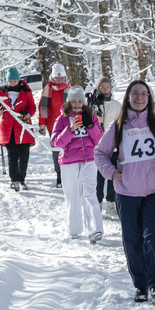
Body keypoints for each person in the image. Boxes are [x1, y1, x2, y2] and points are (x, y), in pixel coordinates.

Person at [95, 81, 155, 306]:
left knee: (153, 237)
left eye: (144, 94)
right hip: (126, 191)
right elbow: (100, 153)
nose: (140, 98)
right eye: (135, 94)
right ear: (128, 97)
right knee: (132, 239)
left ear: (150, 98)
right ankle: (141, 285)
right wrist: (112, 173)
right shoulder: (117, 126)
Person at [50, 86, 104, 243]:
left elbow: (99, 140)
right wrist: (70, 129)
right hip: (69, 162)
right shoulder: (62, 119)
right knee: (73, 195)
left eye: (80, 101)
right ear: (69, 102)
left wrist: (90, 125)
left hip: (89, 160)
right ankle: (74, 229)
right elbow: (56, 142)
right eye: (74, 101)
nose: (77, 105)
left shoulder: (91, 116)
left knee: (89, 193)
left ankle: (95, 229)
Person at [0, 67, 36, 191]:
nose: (12, 83)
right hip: (8, 128)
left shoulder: (26, 91)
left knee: (24, 155)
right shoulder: (1, 92)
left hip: (23, 126)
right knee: (12, 155)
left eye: (14, 81)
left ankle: (22, 179)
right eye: (10, 81)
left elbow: (32, 106)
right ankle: (14, 179)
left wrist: (28, 113)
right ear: (7, 81)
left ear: (18, 80)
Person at [90, 76, 121, 218]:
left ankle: (110, 204)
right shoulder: (90, 105)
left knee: (111, 175)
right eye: (102, 87)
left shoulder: (116, 105)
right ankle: (97, 204)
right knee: (97, 177)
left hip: (113, 146)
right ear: (97, 88)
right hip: (95, 147)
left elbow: (122, 124)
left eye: (107, 87)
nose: (105, 90)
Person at [38, 63, 72, 188]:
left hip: (70, 126)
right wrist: (42, 124)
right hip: (54, 126)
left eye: (62, 78)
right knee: (57, 151)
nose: (60, 80)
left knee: (70, 149)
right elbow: (43, 108)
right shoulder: (48, 89)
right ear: (53, 78)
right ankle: (59, 175)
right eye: (57, 78)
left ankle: (70, 173)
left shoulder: (71, 88)